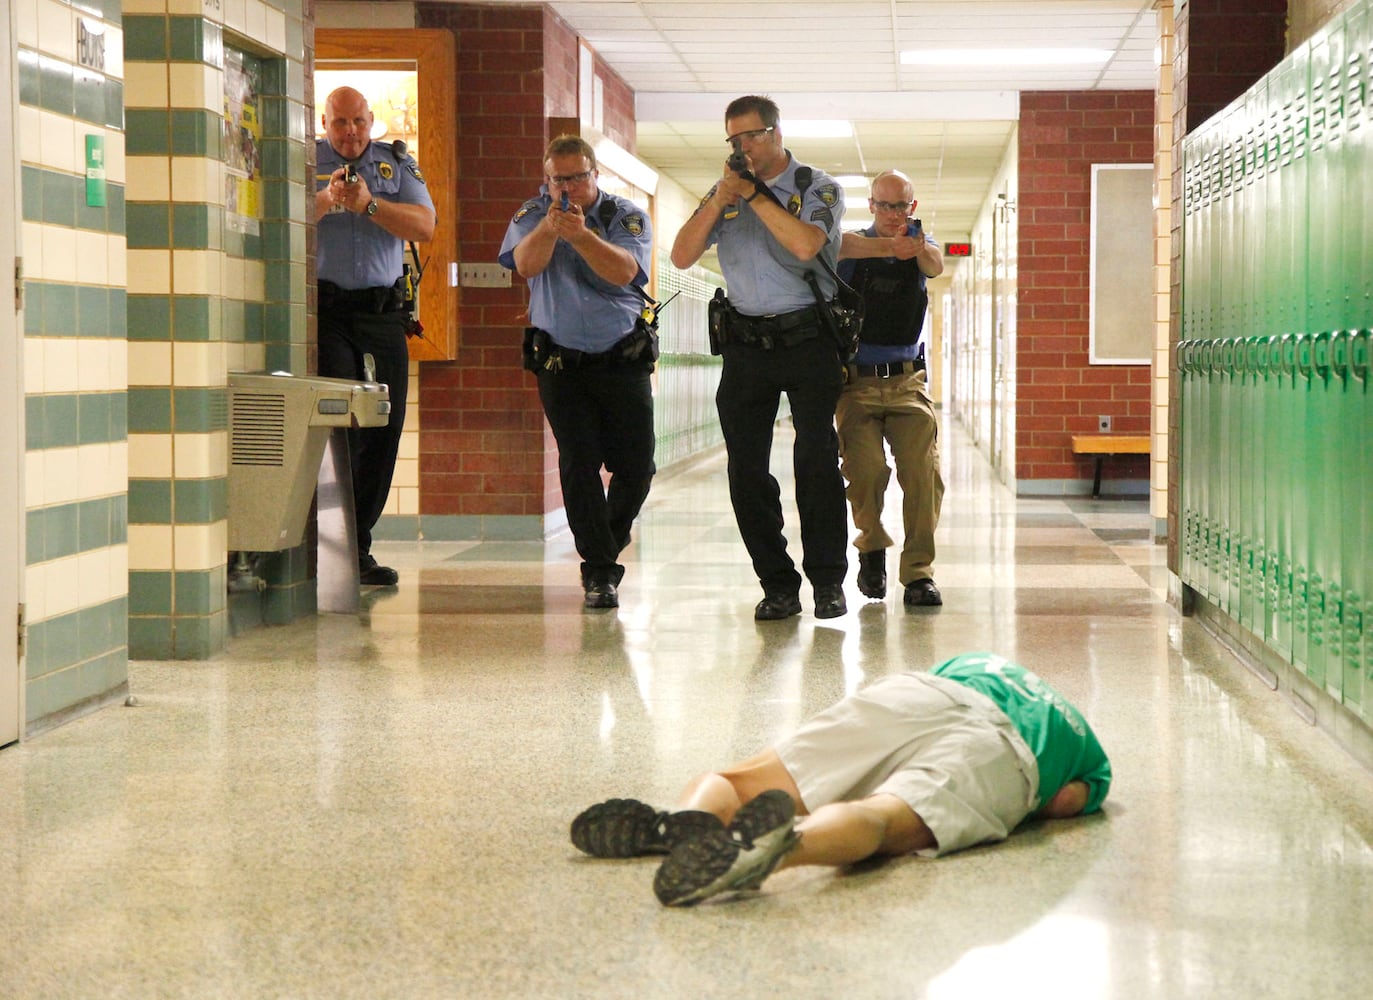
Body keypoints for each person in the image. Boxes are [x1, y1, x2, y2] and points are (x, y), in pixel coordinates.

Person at [570, 651, 1112, 907]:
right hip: (1005, 753)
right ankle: (777, 850)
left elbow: (939, 678)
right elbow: (1065, 802)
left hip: (928, 693)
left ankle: (687, 818)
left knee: (742, 780)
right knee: (879, 816)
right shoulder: (1091, 752)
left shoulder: (983, 660)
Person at [670, 95, 850, 621]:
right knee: (746, 470)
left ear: (775, 132)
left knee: (815, 461)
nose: (741, 147)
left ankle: (827, 581)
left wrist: (756, 195)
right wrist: (721, 198)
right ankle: (777, 583)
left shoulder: (816, 186)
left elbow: (805, 245)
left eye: (750, 136)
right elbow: (681, 254)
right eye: (733, 139)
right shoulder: (723, 191)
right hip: (746, 344)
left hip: (809, 338)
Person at [499, 135, 656, 610]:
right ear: (546, 180)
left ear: (594, 175)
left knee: (636, 465)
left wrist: (581, 234)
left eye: (577, 177)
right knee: (579, 461)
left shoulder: (624, 215)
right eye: (557, 179)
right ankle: (600, 571)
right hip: (560, 362)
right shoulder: (532, 215)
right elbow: (524, 265)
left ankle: (606, 540)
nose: (567, 187)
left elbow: (624, 272)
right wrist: (551, 228)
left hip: (620, 359)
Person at [315, 86, 436, 587]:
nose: (350, 132)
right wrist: (326, 200)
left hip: (382, 313)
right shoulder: (306, 160)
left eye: (359, 122)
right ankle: (330, 546)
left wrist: (368, 206)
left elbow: (425, 225)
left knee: (384, 427)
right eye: (340, 122)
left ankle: (358, 543)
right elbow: (278, 219)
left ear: (372, 122)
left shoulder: (395, 165)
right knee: (339, 426)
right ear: (325, 123)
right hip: (327, 313)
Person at [836, 170, 946, 607]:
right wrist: (887, 246)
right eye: (883, 205)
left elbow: (934, 265)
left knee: (923, 476)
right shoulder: (853, 243)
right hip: (856, 385)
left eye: (900, 205)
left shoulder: (921, 243)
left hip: (906, 382)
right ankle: (872, 547)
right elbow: (838, 245)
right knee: (865, 472)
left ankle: (918, 573)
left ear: (912, 207)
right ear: (871, 206)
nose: (892, 214)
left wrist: (913, 246)